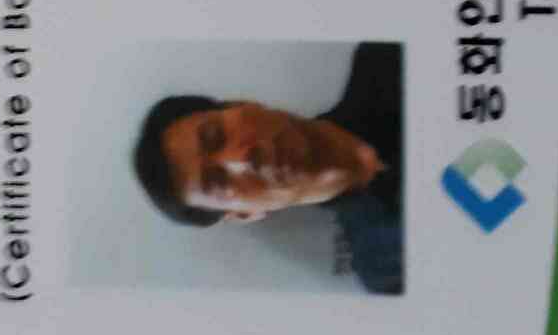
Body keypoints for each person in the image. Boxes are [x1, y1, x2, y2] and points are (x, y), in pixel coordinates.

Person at [130, 43, 404, 294]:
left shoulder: (387, 59)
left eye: (216, 135)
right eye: (218, 182)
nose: (242, 160)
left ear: (243, 104)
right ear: (246, 214)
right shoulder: (382, 266)